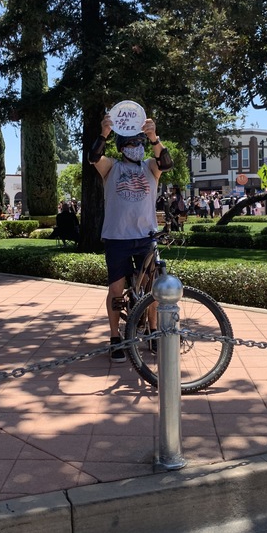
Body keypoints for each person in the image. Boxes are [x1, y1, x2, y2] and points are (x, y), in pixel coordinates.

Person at [89, 112, 173, 362]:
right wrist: (104, 133)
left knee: (152, 288)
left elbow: (166, 163)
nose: (135, 147)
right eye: (129, 144)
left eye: (138, 143)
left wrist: (153, 137)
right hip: (117, 238)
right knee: (116, 290)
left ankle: (153, 330)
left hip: (145, 237)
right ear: (121, 148)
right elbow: (94, 157)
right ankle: (115, 337)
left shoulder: (149, 166)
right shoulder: (111, 168)